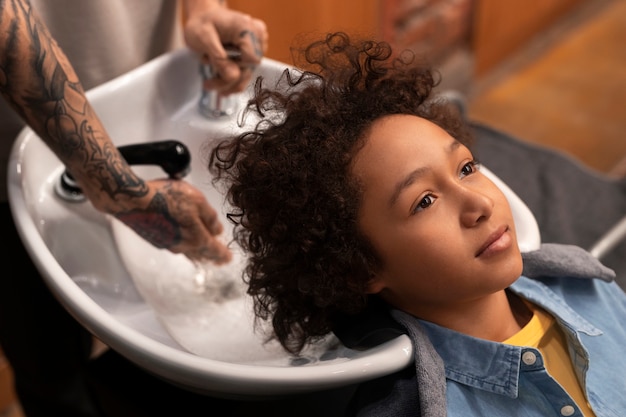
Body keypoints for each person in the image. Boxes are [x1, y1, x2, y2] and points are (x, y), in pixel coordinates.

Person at [208, 32, 626, 416]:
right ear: (361, 267)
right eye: (425, 201)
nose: (479, 203)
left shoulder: (590, 288)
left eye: (466, 167)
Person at [0, 0, 267, 415]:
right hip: (21, 147)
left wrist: (204, 10)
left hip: (154, 93)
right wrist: (119, 191)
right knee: (51, 372)